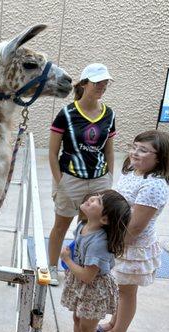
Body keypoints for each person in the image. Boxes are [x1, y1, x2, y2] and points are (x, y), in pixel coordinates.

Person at [97, 130, 169, 332]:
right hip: (120, 240)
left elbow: (136, 226)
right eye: (134, 147)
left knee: (126, 292)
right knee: (120, 288)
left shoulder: (153, 186)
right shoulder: (133, 171)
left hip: (131, 245)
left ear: (160, 157)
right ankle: (113, 323)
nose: (135, 153)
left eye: (143, 150)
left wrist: (115, 245)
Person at [47, 63, 116, 286]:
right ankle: (52, 267)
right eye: (98, 82)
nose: (102, 86)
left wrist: (109, 178)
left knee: (90, 228)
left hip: (99, 179)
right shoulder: (66, 114)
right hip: (71, 178)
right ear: (84, 84)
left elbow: (109, 149)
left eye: (105, 82)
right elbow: (52, 151)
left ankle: (80, 269)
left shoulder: (109, 114)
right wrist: (60, 183)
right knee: (61, 225)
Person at [52, 190, 131, 332]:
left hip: (94, 289)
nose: (91, 198)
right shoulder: (83, 225)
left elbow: (88, 276)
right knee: (78, 319)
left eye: (98, 201)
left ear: (104, 219)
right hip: (83, 284)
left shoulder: (99, 243)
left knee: (88, 326)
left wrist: (67, 261)